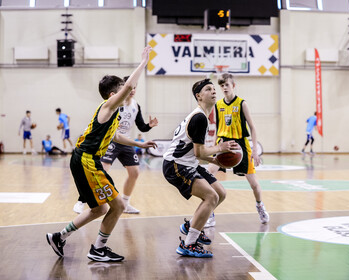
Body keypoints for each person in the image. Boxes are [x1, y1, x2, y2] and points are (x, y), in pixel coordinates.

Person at [46, 46, 156, 262]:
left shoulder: (111, 114)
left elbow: (116, 137)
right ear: (114, 94)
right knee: (118, 205)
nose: (130, 91)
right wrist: (143, 62)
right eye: (124, 89)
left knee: (99, 209)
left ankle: (59, 237)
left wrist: (139, 145)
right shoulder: (107, 106)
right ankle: (98, 248)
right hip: (87, 161)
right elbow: (130, 86)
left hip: (84, 159)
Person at [163, 78, 239, 258]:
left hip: (189, 162)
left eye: (214, 89)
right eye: (208, 89)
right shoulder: (199, 117)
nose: (214, 91)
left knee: (220, 193)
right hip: (176, 165)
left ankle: (192, 225)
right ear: (199, 96)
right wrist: (220, 149)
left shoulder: (202, 115)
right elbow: (199, 152)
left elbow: (199, 153)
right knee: (211, 196)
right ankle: (188, 244)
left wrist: (217, 162)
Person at [73, 77, 158, 214]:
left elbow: (141, 126)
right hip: (110, 141)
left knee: (135, 172)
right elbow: (113, 133)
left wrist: (149, 126)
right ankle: (82, 200)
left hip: (126, 141)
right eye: (130, 87)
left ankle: (125, 203)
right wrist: (143, 62)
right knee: (102, 171)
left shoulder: (135, 106)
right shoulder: (114, 104)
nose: (132, 89)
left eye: (135, 87)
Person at [206, 73, 269, 227]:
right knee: (208, 174)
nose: (224, 88)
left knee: (254, 184)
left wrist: (254, 151)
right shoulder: (218, 105)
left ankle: (260, 205)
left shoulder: (242, 104)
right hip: (223, 144)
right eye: (222, 85)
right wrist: (213, 149)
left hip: (240, 145)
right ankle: (210, 212)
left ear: (233, 86)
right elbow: (217, 129)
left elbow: (253, 128)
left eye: (227, 85)